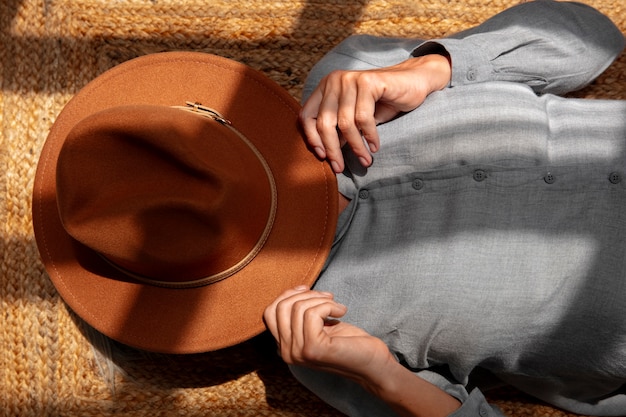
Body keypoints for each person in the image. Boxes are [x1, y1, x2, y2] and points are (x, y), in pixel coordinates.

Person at [262, 1, 626, 416]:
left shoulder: (352, 80)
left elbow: (595, 34)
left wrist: (432, 69)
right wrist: (384, 377)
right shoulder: (321, 335)